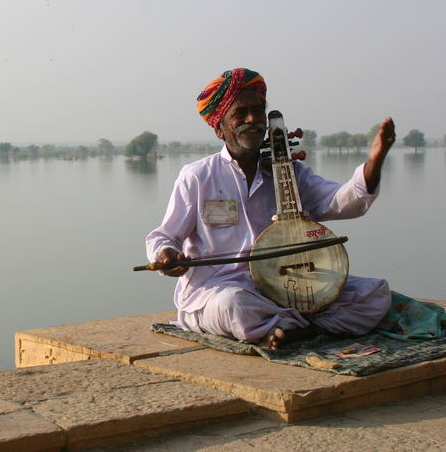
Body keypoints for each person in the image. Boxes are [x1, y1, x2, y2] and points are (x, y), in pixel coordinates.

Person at [145, 68, 395, 349]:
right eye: (240, 114)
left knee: (373, 293)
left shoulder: (290, 172)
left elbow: (342, 201)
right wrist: (165, 255)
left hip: (287, 283)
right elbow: (164, 236)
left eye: (257, 111)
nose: (252, 120)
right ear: (219, 128)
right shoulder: (198, 176)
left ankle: (291, 328)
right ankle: (300, 325)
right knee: (234, 305)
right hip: (220, 288)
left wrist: (375, 162)